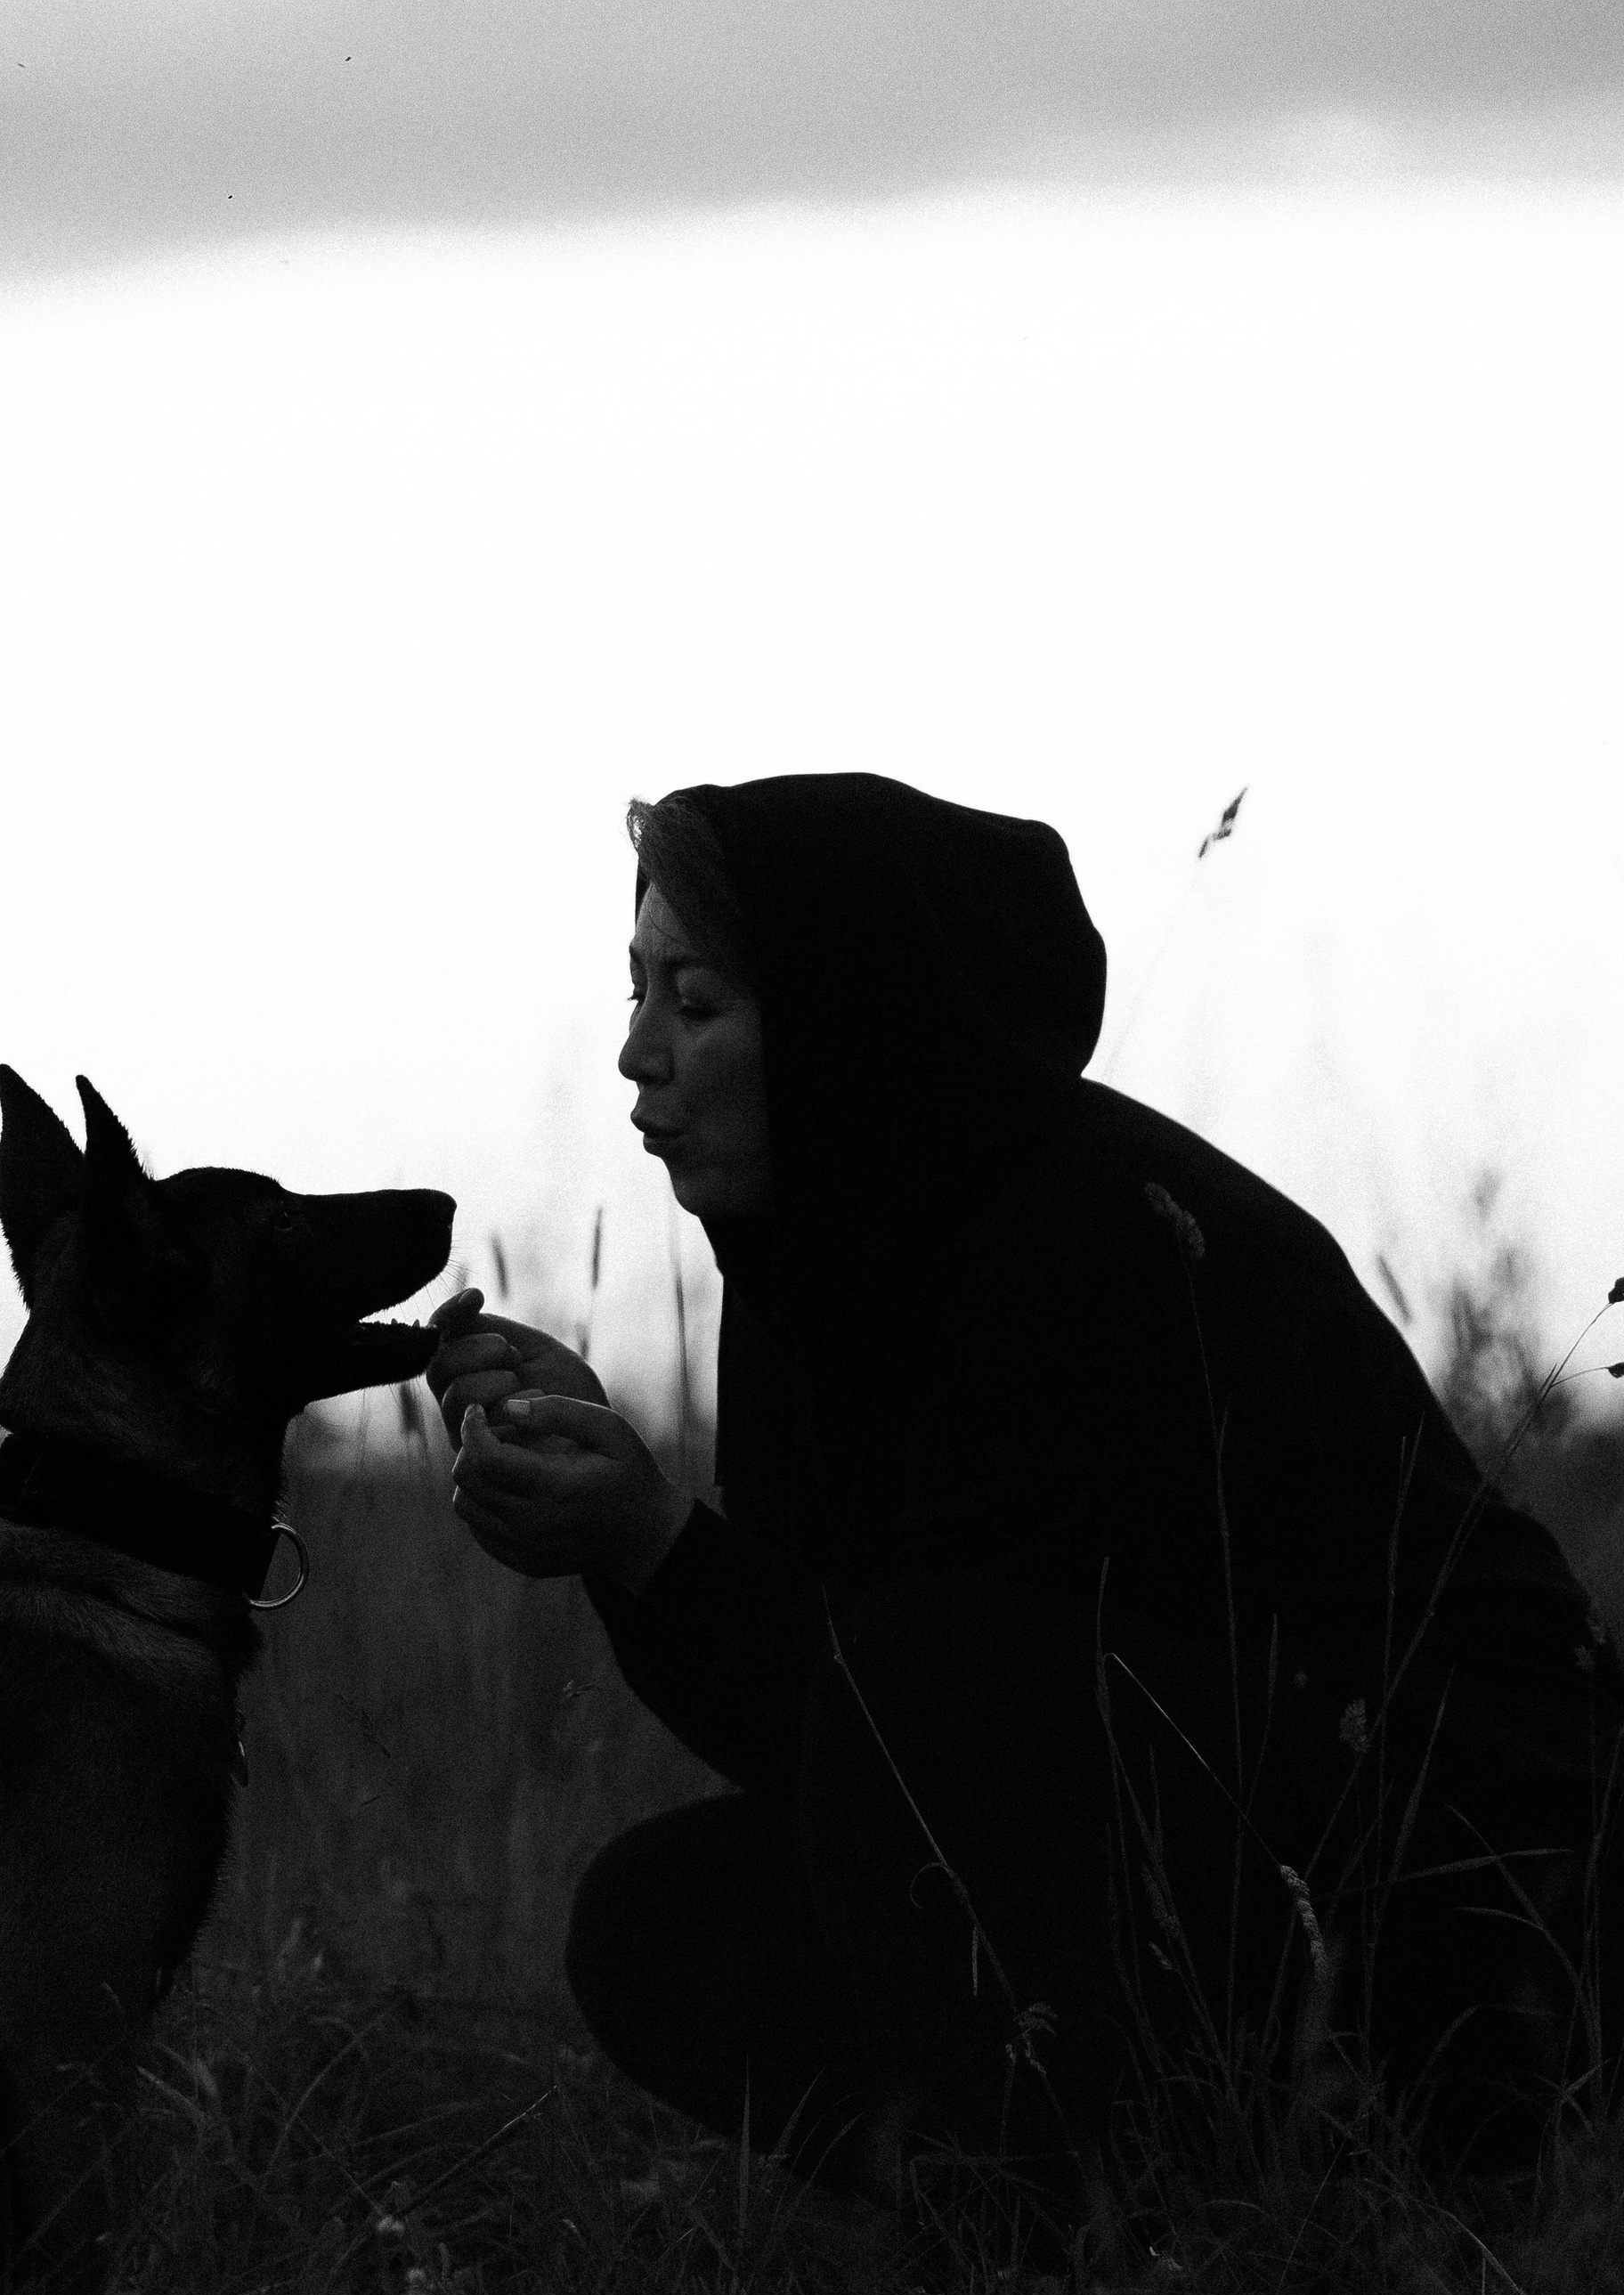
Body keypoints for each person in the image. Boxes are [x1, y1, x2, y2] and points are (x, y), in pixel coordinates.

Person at [426, 775, 1620, 2202]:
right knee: (660, 1922)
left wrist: (652, 1536)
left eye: (692, 1001)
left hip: (1481, 1912)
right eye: (635, 989)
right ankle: (1095, 2228)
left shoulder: (1086, 1243)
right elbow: (854, 1766)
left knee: (931, 1658)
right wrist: (634, 1539)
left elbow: (922, 1712)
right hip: (1201, 1887)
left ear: (843, 1022)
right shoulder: (827, 1245)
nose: (635, 1054)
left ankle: (1157, 2229)